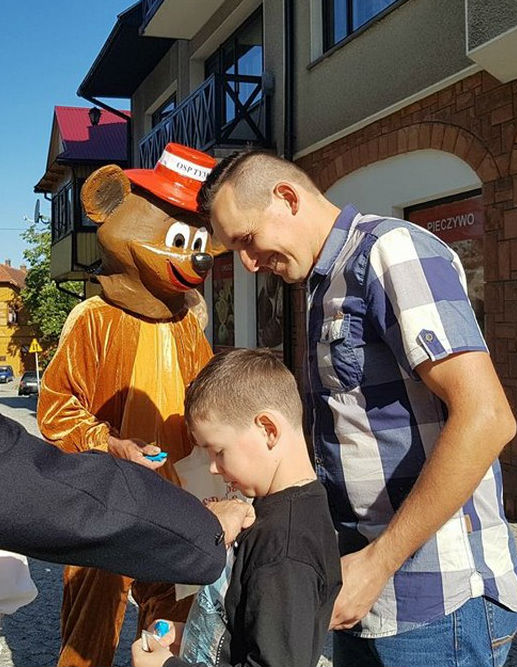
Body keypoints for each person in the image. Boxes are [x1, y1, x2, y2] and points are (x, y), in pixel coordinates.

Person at [195, 150, 517, 667]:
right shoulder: (322, 285)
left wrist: (379, 562)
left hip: (433, 602)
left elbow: (487, 419)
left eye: (247, 239)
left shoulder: (390, 251)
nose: (248, 263)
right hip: (364, 589)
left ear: (287, 198)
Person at [36, 144, 225, 667]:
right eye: (180, 240)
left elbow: (210, 399)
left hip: (178, 499)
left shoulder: (187, 327)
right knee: (92, 616)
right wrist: (107, 442)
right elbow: (56, 406)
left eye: (197, 242)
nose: (196, 256)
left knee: (171, 616)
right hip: (106, 495)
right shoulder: (95, 320)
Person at [131, 348, 342, 667]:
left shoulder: (285, 550)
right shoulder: (272, 513)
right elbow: (249, 628)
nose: (213, 468)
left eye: (218, 451)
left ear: (268, 429)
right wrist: (192, 636)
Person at [0, 414, 254, 582]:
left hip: (172, 503)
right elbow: (39, 482)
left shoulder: (191, 339)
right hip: (127, 522)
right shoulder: (90, 336)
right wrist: (108, 442)